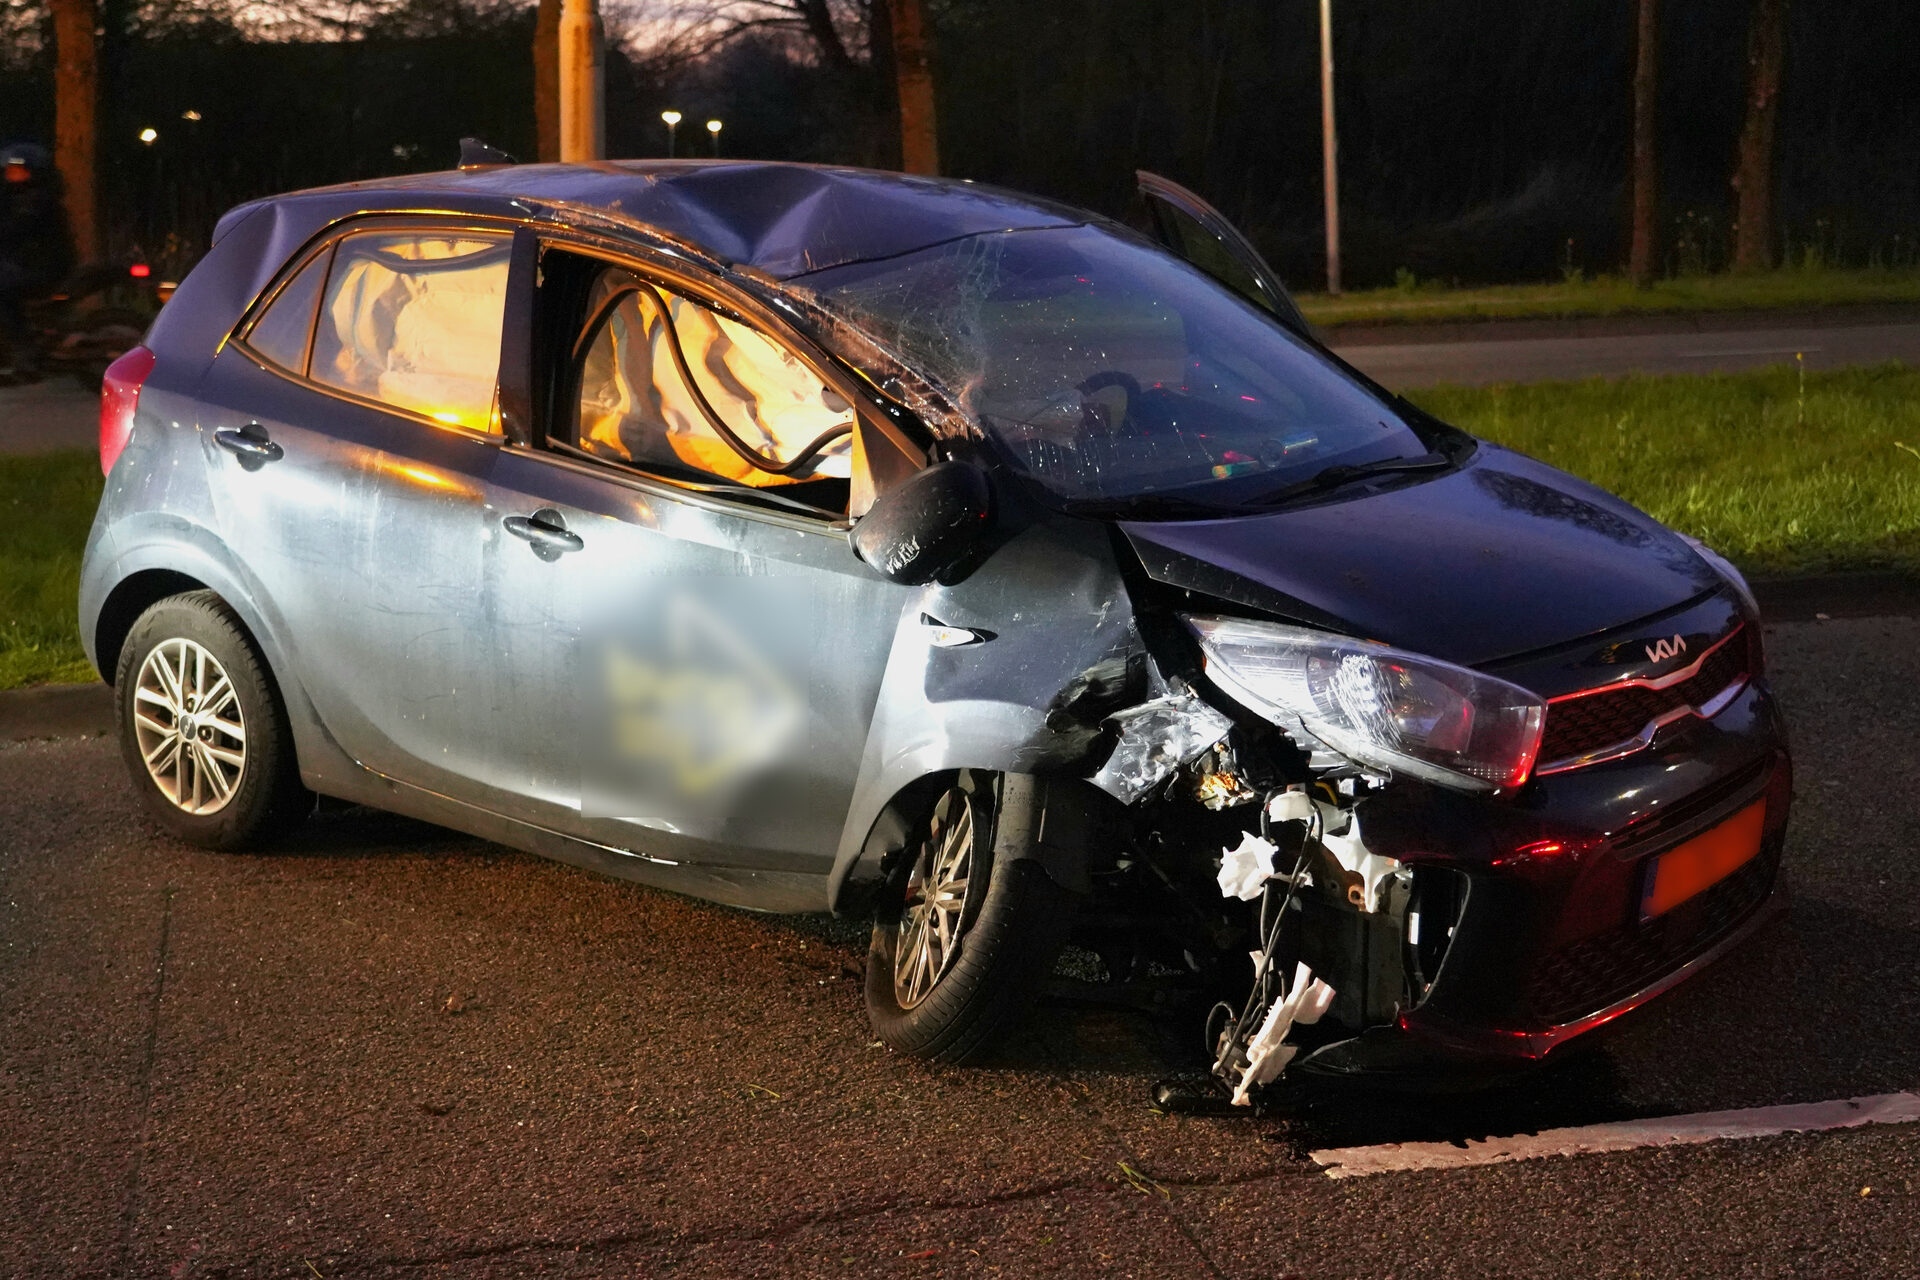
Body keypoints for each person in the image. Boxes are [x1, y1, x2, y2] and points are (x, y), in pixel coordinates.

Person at [0, 142, 74, 383]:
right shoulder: (24, 196)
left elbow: (17, 230)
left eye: (16, 168)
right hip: (35, 262)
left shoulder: (37, 199)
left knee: (3, 290)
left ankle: (25, 355)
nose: (10, 172)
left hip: (45, 266)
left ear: (32, 170)